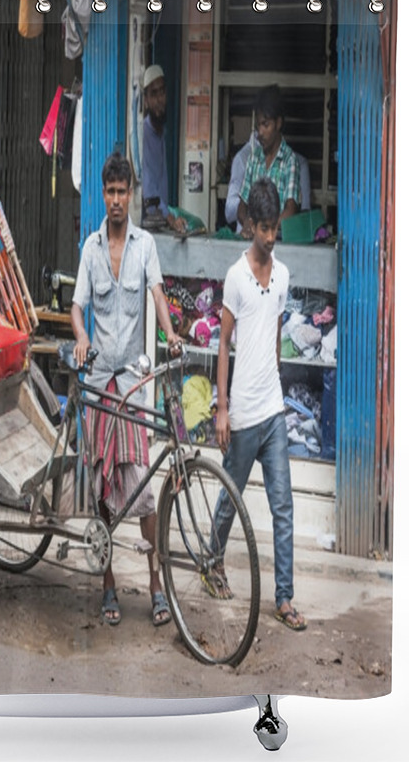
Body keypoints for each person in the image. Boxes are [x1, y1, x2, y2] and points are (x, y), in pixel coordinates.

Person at [71, 152, 181, 628]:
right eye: (110, 192)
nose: (116, 200)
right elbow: (77, 307)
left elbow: (157, 294)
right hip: (99, 384)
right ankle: (109, 583)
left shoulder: (146, 246)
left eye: (123, 192)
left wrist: (171, 334)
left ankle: (156, 584)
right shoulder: (91, 248)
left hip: (133, 386)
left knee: (143, 490)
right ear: (103, 194)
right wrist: (81, 337)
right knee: (102, 488)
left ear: (131, 194)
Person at [209, 177, 307, 631]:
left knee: (282, 506)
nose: (270, 237)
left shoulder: (283, 275)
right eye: (264, 228)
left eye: (275, 229)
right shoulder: (235, 278)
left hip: (273, 410)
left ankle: (284, 598)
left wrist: (278, 381)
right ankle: (212, 563)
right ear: (250, 224)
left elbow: (274, 339)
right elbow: (223, 344)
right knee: (231, 500)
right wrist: (222, 408)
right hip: (243, 413)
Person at [237, 85, 301, 238]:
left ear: (278, 123)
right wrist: (246, 221)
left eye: (265, 125)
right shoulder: (254, 158)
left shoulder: (289, 160)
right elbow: (241, 206)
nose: (260, 132)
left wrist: (265, 228)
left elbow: (291, 211)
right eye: (258, 125)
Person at [141, 64, 187, 234]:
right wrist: (171, 220)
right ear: (145, 100)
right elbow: (150, 188)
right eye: (154, 94)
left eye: (162, 92)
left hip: (160, 222)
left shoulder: (162, 132)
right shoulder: (143, 134)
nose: (160, 99)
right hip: (147, 223)